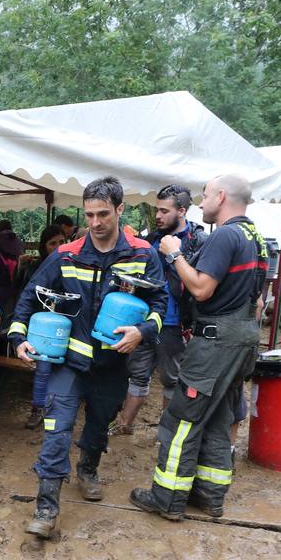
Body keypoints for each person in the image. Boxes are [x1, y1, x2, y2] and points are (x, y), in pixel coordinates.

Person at [10, 177, 167, 539]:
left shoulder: (142, 254)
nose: (95, 223)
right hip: (69, 364)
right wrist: (18, 336)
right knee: (56, 429)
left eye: (103, 214)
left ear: (120, 210)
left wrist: (141, 332)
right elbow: (30, 295)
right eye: (89, 215)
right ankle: (46, 508)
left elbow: (160, 305)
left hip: (112, 366)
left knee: (98, 424)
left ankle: (88, 468)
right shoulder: (67, 254)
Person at [130, 174, 268, 521]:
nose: (201, 203)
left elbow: (202, 289)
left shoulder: (225, 235)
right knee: (219, 417)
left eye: (205, 196)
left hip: (216, 342)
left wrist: (175, 255)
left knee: (181, 420)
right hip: (242, 339)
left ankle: (167, 498)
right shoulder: (255, 236)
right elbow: (259, 301)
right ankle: (210, 495)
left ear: (221, 197)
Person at [112, 185, 206, 433]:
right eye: (157, 210)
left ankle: (167, 429)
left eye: (164, 211)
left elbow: (201, 283)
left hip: (175, 324)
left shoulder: (197, 241)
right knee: (138, 373)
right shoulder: (150, 240)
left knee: (171, 378)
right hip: (144, 321)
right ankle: (124, 426)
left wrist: (175, 255)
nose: (158, 216)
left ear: (182, 211)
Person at [16, 224, 66, 429]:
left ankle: (57, 409)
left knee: (63, 369)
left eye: (61, 242)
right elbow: (25, 298)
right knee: (44, 368)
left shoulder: (73, 266)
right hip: (42, 328)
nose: (57, 247)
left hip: (65, 326)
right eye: (52, 243)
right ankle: (38, 409)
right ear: (43, 247)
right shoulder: (36, 269)